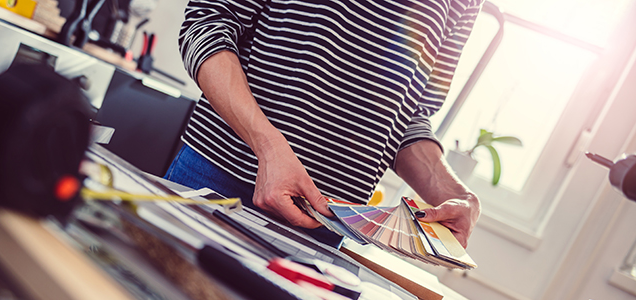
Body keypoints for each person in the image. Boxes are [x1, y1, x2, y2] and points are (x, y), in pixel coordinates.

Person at [165, 0, 482, 248]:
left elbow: (407, 116)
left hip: (325, 226)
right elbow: (208, 24)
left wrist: (453, 194)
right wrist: (268, 147)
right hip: (220, 180)